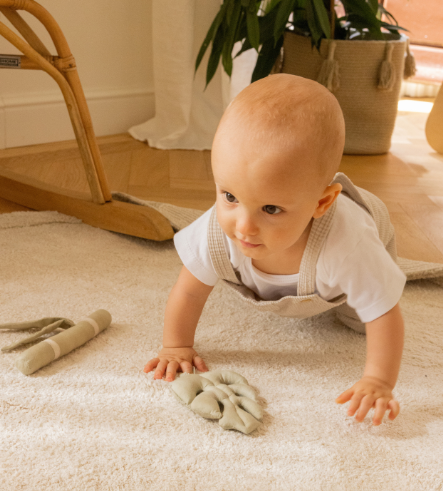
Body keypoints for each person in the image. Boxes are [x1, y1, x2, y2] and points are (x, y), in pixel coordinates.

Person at [143, 74, 407, 426]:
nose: (244, 226)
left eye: (270, 209)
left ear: (321, 202)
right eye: (230, 196)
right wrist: (176, 346)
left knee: (361, 318)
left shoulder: (349, 245)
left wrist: (378, 380)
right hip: (296, 270)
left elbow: (384, 313)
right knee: (221, 261)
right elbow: (189, 293)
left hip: (350, 260)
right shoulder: (216, 232)